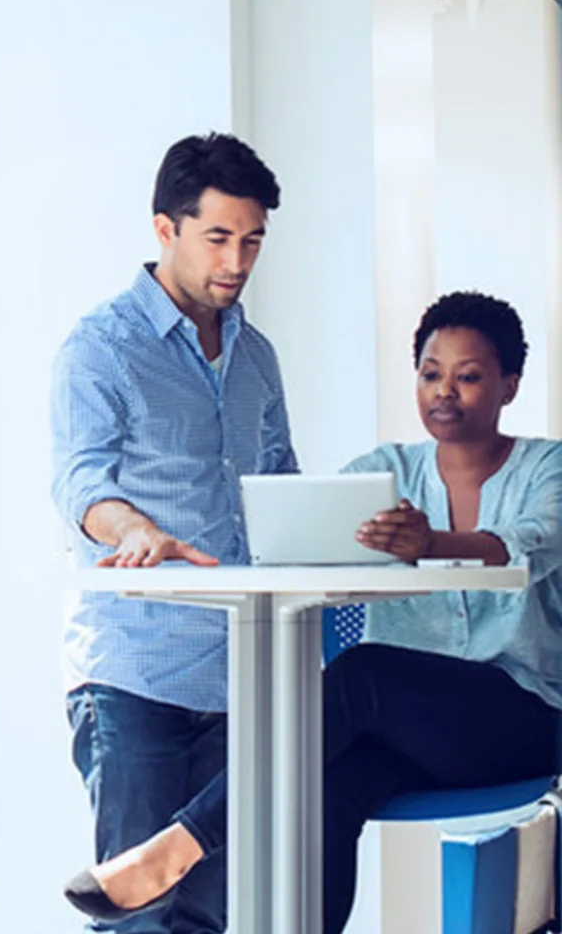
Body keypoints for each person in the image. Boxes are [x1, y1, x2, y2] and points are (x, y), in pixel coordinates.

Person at [63, 291, 562, 933]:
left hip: (523, 719)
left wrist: (431, 544)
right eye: (431, 373)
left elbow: (533, 540)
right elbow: (303, 533)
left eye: (468, 377)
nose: (445, 391)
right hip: (413, 738)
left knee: (363, 672)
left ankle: (180, 844)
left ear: (510, 385)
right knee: (325, 789)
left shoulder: (548, 467)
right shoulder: (385, 473)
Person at [49, 132, 295, 934]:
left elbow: (281, 487)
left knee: (220, 917)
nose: (237, 260)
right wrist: (134, 528)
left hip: (243, 677)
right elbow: (82, 481)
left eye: (251, 240)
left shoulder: (256, 357)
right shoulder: (102, 349)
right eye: (218, 238)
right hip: (137, 676)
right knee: (140, 919)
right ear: (166, 229)